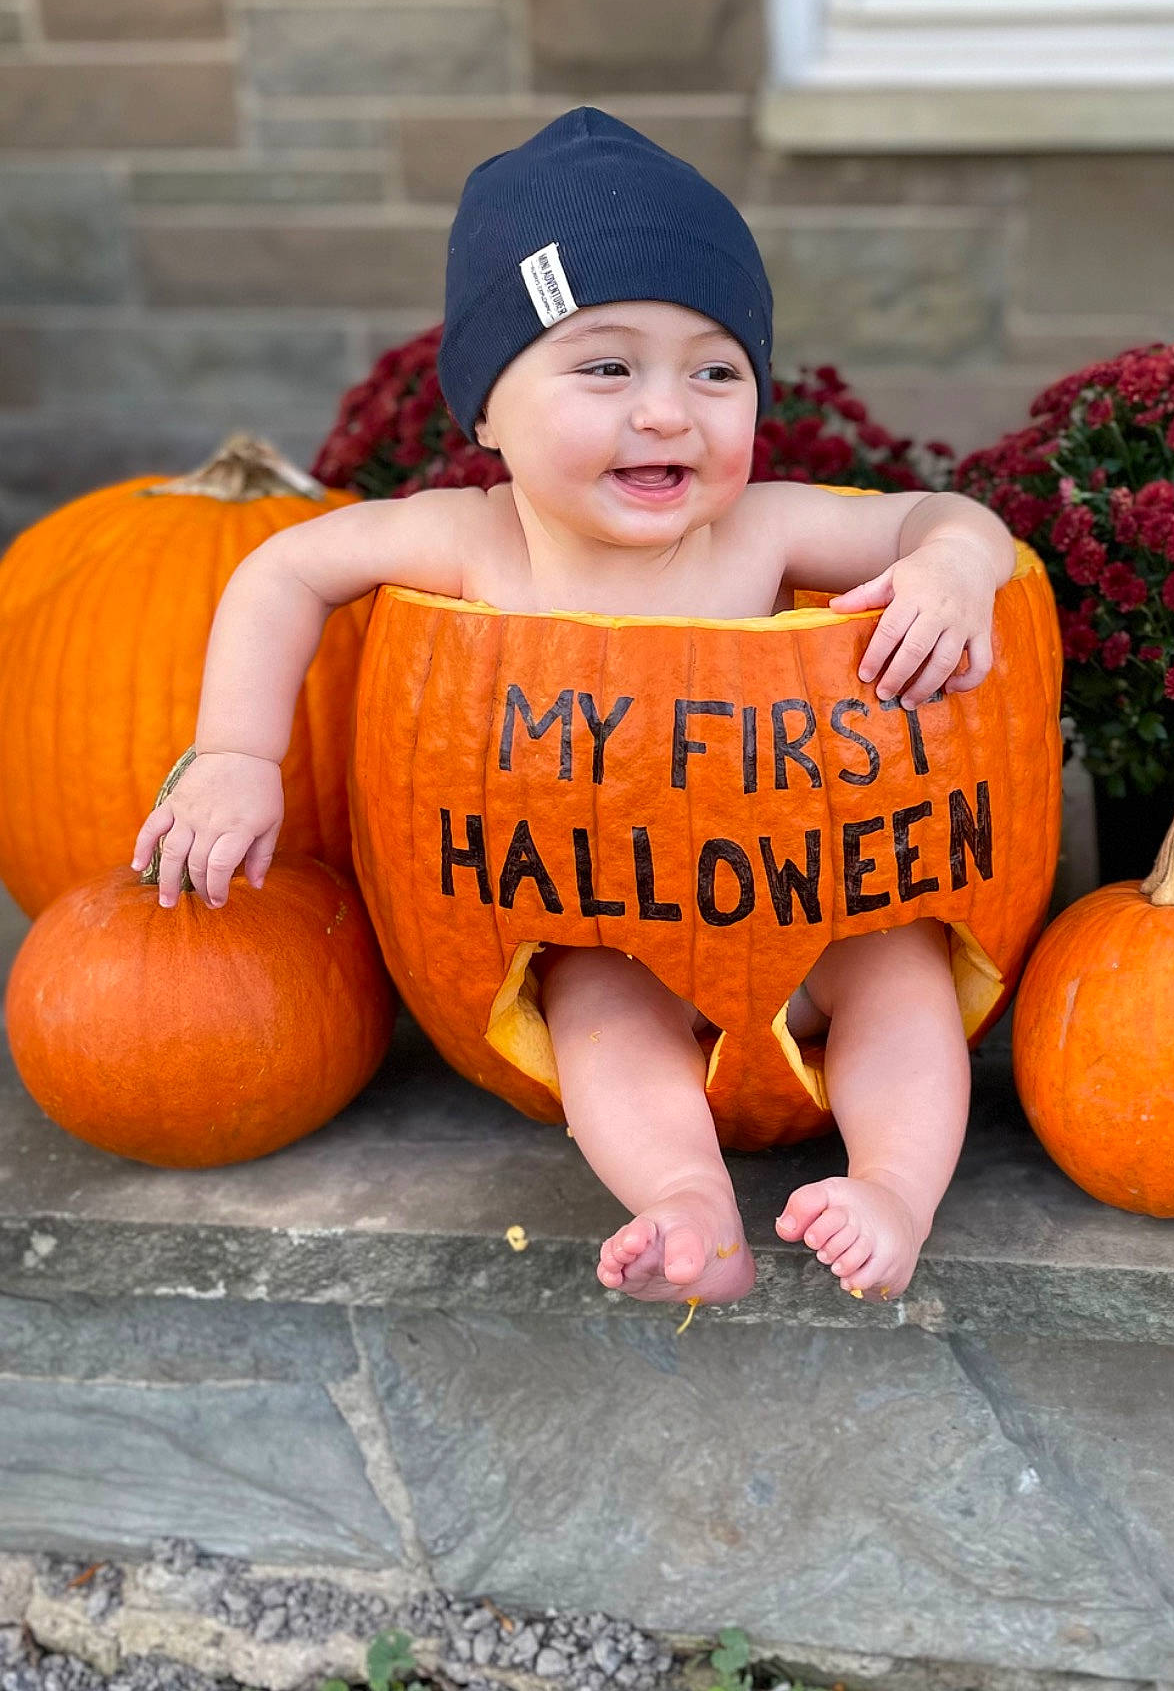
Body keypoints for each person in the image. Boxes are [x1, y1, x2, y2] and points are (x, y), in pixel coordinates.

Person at [131, 108, 1017, 1311]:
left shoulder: (763, 524)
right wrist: (236, 751)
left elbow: (945, 515)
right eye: (606, 366)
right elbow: (280, 567)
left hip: (823, 911)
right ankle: (684, 1198)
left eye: (716, 370)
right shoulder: (467, 538)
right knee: (590, 1003)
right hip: (617, 922)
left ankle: (895, 1192)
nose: (666, 411)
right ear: (488, 409)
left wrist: (954, 566)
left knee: (905, 972)